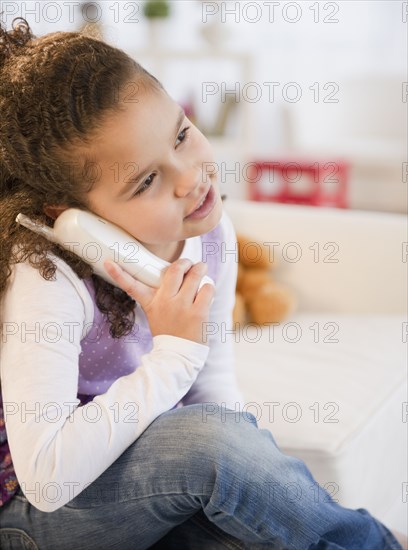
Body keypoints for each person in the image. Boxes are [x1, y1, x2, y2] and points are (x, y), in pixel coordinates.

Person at [0, 16, 405, 550]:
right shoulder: (49, 281)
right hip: (34, 514)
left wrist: (255, 477)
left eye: (182, 133)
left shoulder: (212, 238)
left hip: (142, 484)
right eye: (147, 181)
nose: (191, 178)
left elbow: (215, 394)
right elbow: (48, 478)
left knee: (246, 514)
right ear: (72, 215)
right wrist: (173, 354)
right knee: (209, 445)